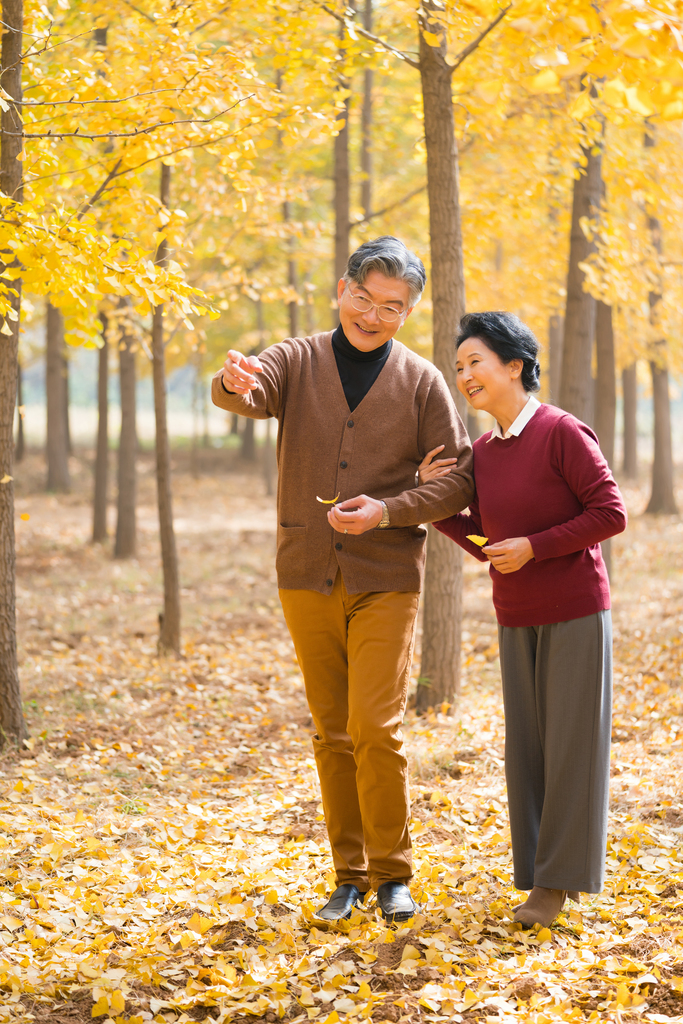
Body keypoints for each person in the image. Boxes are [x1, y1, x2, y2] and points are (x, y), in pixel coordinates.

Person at [211, 237, 475, 923]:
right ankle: (347, 876)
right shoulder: (296, 359)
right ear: (341, 290)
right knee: (331, 731)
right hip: (305, 571)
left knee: (373, 727)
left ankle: (393, 875)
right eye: (364, 297)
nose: (373, 314)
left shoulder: (421, 381)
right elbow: (252, 388)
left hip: (386, 575)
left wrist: (389, 510)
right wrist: (234, 382)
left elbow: (457, 480)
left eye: (392, 306)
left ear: (408, 312)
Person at [422, 311, 627, 928]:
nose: (464, 376)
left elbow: (611, 512)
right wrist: (434, 502)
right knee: (528, 751)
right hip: (515, 617)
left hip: (574, 614)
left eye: (475, 362)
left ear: (515, 366)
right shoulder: (483, 452)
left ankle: (558, 885)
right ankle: (535, 871)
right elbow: (486, 539)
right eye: (458, 367)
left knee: (570, 749)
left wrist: (536, 546)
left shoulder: (563, 432)